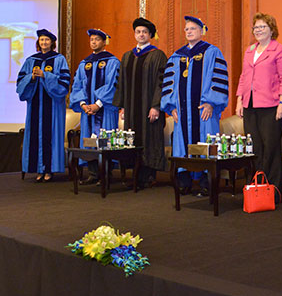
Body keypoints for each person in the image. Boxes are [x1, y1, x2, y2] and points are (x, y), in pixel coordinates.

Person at [161, 16, 229, 196]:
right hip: (182, 112)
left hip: (203, 111)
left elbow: (219, 79)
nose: (189, 31)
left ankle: (208, 183)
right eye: (187, 29)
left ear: (202, 31)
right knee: (182, 145)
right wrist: (171, 107)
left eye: (193, 28)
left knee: (207, 142)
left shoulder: (212, 52)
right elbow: (169, 84)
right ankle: (185, 181)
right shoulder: (177, 56)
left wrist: (211, 103)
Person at [235, 13, 282, 190]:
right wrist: (239, 100)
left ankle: (272, 189)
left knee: (271, 148)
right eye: (256, 27)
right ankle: (256, 186)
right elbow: (243, 77)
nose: (258, 30)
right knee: (254, 148)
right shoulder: (249, 50)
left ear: (271, 30)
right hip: (251, 106)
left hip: (273, 106)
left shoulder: (279, 50)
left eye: (262, 27)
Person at [113, 18, 167, 188]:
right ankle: (135, 174)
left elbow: (162, 83)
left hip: (149, 107)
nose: (141, 34)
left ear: (150, 35)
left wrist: (156, 106)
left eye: (144, 32)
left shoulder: (157, 55)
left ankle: (149, 175)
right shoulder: (127, 56)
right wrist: (122, 105)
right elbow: (122, 82)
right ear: (135, 34)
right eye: (138, 32)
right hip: (131, 108)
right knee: (132, 137)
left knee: (150, 137)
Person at [16, 29, 70, 182]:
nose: (44, 43)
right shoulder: (31, 60)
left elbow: (64, 83)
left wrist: (46, 75)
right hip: (35, 105)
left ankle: (49, 170)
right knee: (35, 135)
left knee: (50, 135)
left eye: (47, 40)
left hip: (52, 106)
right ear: (38, 43)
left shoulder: (59, 59)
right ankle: (38, 169)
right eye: (41, 40)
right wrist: (31, 77)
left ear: (52, 43)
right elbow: (20, 81)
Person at [69, 28, 120, 184]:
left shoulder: (113, 62)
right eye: (92, 39)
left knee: (105, 140)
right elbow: (77, 85)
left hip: (106, 110)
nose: (94, 42)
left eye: (97, 39)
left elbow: (114, 85)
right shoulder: (84, 64)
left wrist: (98, 104)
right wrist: (84, 104)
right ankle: (92, 174)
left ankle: (106, 174)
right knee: (89, 142)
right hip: (88, 112)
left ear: (104, 42)